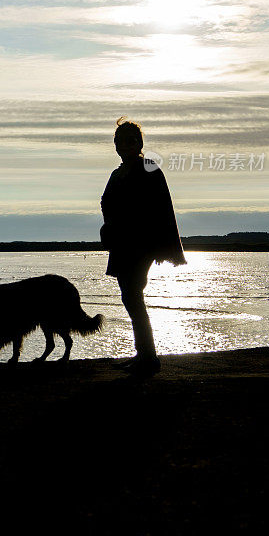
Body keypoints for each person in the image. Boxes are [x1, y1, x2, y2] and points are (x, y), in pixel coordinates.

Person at [100, 117, 187, 376]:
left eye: (129, 141)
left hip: (141, 243)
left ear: (139, 143)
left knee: (133, 294)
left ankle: (148, 357)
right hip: (122, 242)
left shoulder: (148, 167)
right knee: (130, 296)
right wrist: (110, 225)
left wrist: (162, 246)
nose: (124, 146)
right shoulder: (117, 172)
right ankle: (144, 354)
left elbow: (160, 206)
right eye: (119, 142)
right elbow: (106, 201)